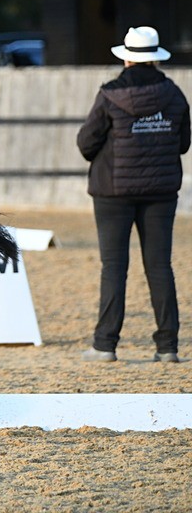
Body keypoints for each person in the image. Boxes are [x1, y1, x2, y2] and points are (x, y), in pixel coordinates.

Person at [77, 26, 189, 363]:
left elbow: (86, 144)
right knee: (160, 267)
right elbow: (183, 144)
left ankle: (105, 344)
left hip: (113, 192)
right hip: (161, 191)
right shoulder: (174, 94)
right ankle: (167, 347)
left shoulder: (110, 94)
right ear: (155, 58)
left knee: (114, 267)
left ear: (126, 57)